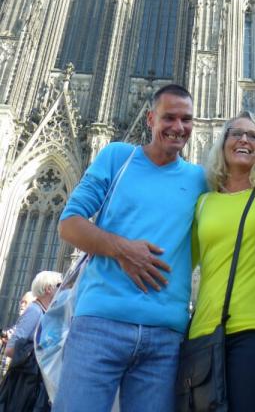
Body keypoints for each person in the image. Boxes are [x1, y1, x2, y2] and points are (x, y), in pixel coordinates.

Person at [54, 84, 207, 412]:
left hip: (165, 338)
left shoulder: (200, 180)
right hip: (99, 326)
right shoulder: (117, 157)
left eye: (186, 119)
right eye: (169, 117)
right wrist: (122, 249)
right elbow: (69, 224)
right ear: (151, 119)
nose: (178, 127)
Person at [188, 111, 255, 411]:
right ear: (222, 142)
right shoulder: (204, 203)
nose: (244, 140)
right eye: (236, 134)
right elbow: (183, 265)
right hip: (205, 332)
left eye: (253, 135)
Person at [0, 271, 61, 412]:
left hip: (31, 383)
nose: (61, 289)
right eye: (58, 285)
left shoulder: (43, 312)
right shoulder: (34, 310)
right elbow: (11, 348)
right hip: (23, 383)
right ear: (48, 288)